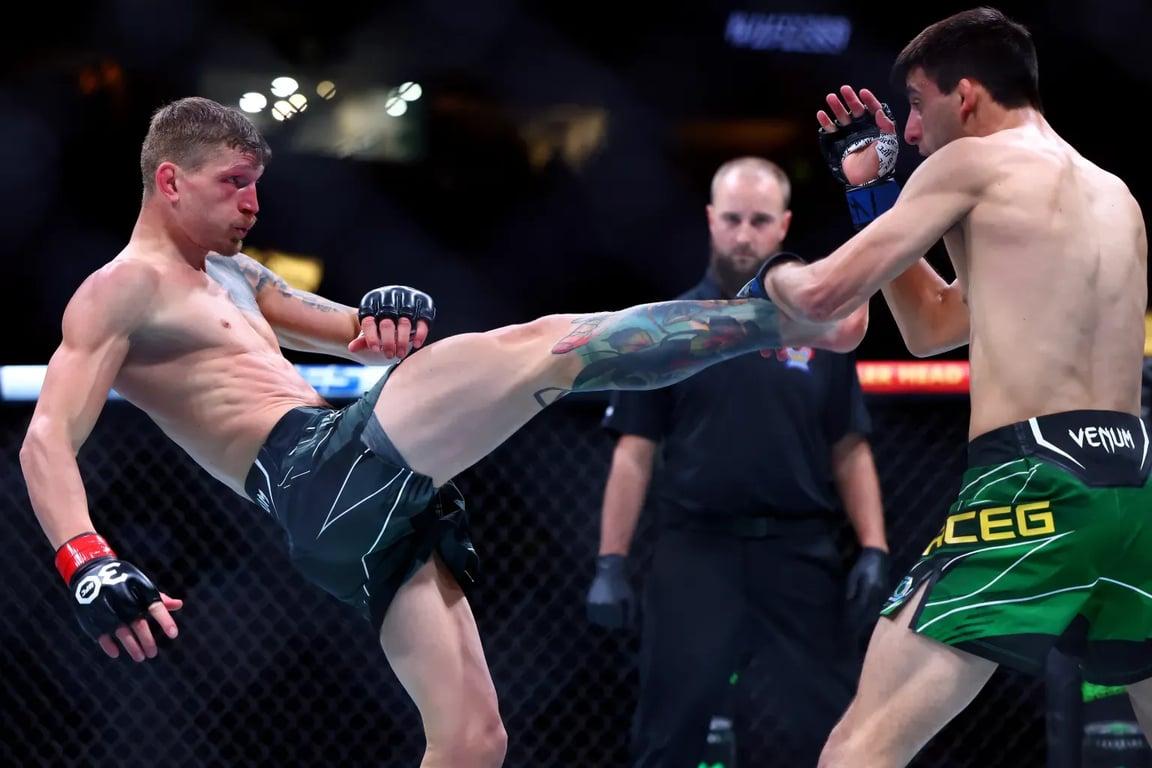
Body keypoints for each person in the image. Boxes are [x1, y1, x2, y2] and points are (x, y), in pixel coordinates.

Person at [19, 97, 868, 768]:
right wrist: (86, 559)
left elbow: (354, 329)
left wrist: (386, 314)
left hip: (348, 504)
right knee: (541, 347)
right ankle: (779, 316)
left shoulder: (234, 273)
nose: (252, 203)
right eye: (232, 184)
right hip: (318, 469)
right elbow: (46, 435)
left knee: (471, 742)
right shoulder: (120, 289)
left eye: (256, 184)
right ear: (169, 182)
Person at [736, 8, 1149, 767]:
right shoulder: (1115, 194)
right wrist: (874, 194)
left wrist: (769, 274)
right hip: (1131, 485)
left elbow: (824, 296)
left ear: (966, 96)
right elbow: (933, 327)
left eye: (918, 106)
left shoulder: (968, 166)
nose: (911, 133)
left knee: (857, 749)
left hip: (1030, 480)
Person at [584, 157, 889, 767]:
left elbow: (849, 445)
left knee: (831, 730)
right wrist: (610, 561)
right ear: (709, 222)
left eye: (758, 220)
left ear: (784, 226)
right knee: (668, 733)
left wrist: (874, 546)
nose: (744, 234)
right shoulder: (665, 328)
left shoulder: (825, 330)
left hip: (801, 552)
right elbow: (634, 452)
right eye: (732, 219)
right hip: (697, 551)